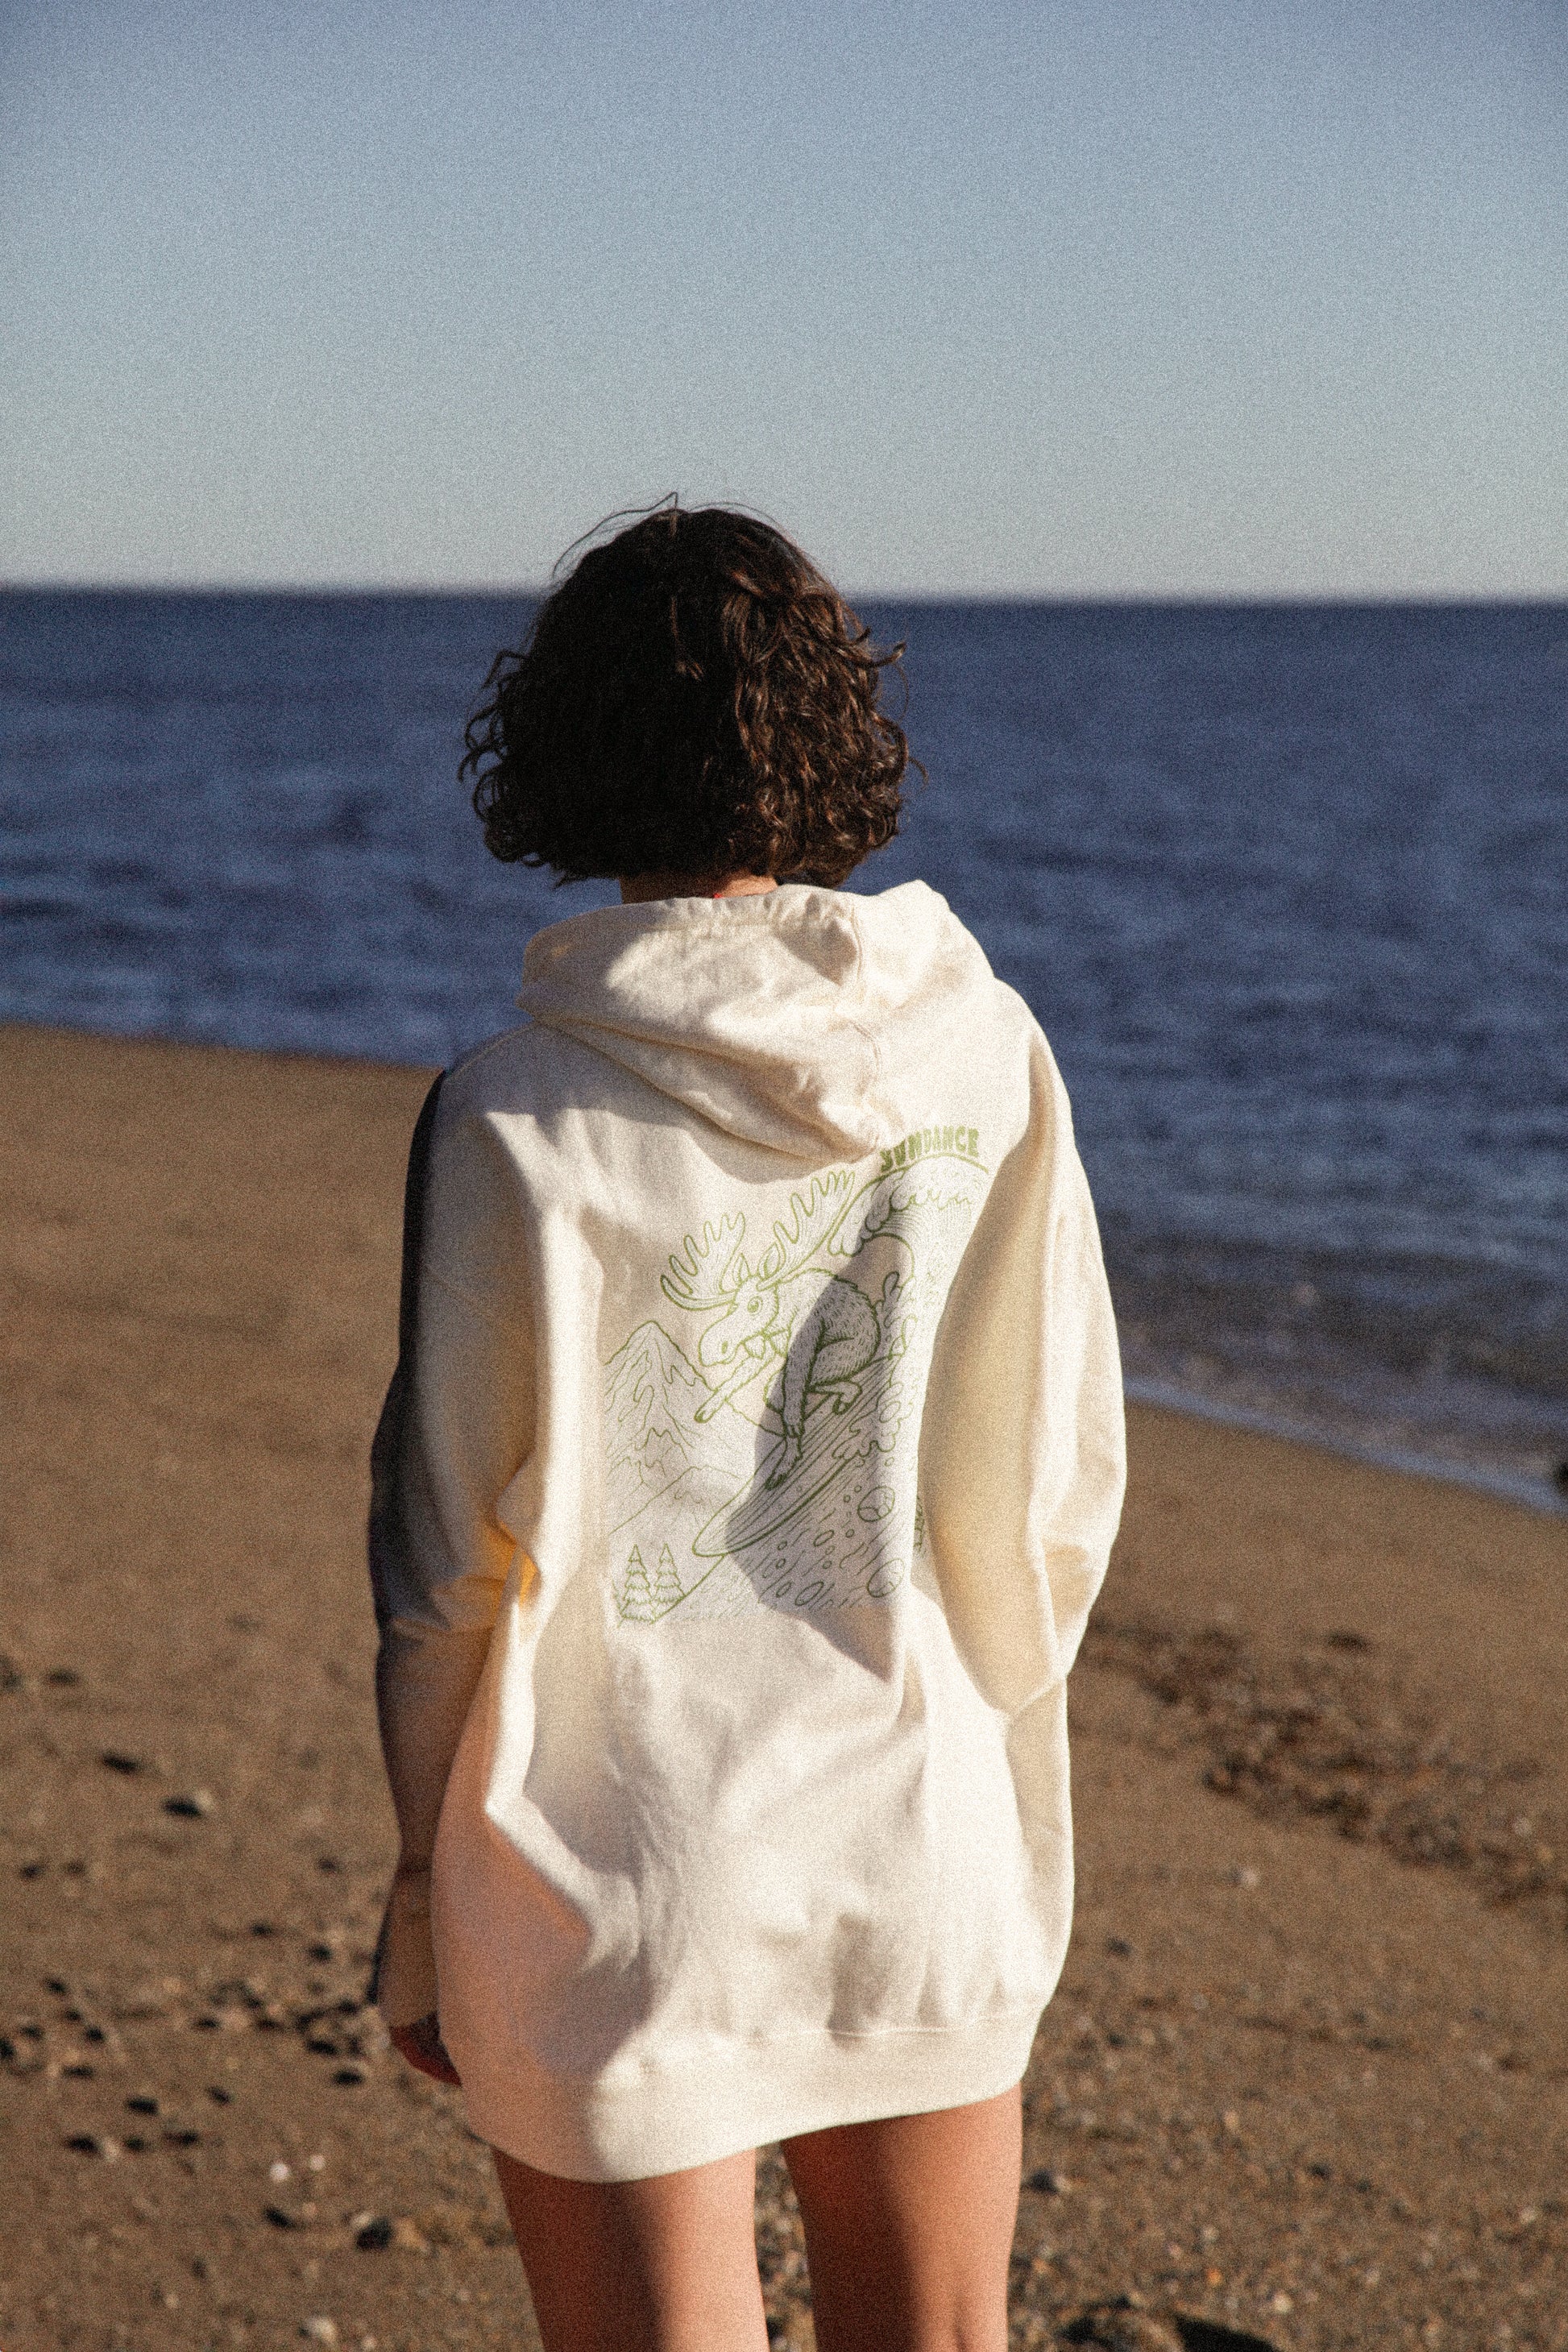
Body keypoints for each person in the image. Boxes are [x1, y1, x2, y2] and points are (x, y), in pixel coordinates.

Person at [367, 504, 1126, 2352]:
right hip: (917, 1818)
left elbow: (444, 1567)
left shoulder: (511, 1111)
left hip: (616, 1861)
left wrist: (416, 1884)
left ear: (559, 742)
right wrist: (978, 1758)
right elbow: (1052, 1483)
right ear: (835, 734)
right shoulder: (987, 1050)